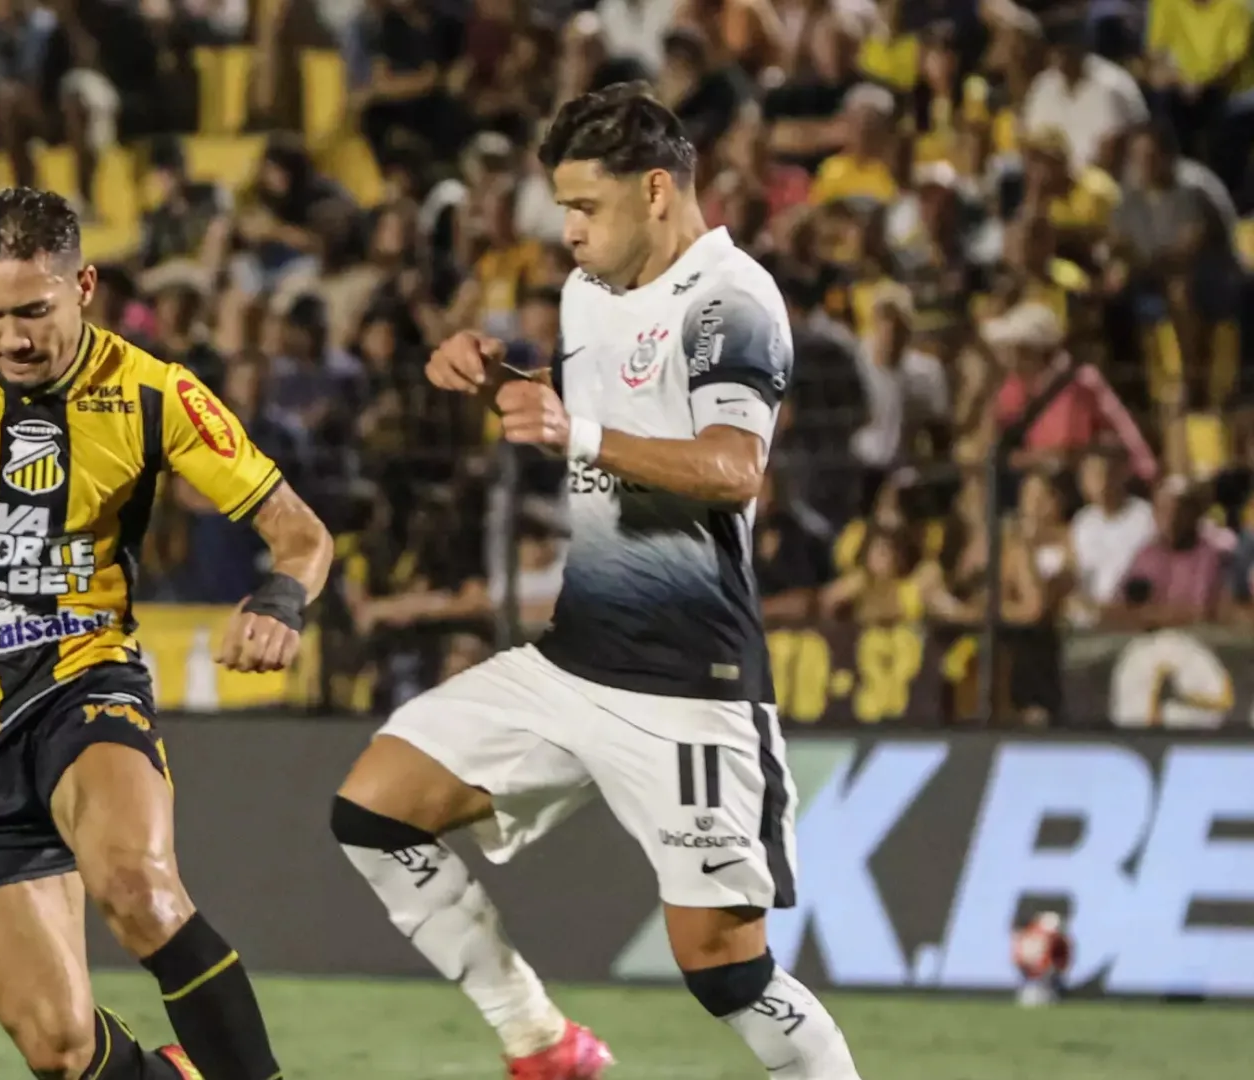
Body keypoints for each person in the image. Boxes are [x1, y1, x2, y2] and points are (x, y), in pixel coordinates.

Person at [330, 85, 864, 1080]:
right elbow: (598, 426)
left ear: (657, 190)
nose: (568, 231)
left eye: (587, 207)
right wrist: (495, 381)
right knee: (372, 810)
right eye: (563, 207)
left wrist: (571, 429)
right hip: (575, 658)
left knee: (725, 973)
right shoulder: (588, 296)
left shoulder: (732, 302)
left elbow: (731, 467)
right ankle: (542, 1043)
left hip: (689, 684)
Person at [0, 188, 332, 1080]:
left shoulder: (153, 394)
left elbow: (303, 533)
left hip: (84, 685)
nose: (13, 339)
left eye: (34, 311)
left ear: (83, 285)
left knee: (141, 890)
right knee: (61, 1047)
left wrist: (279, 599)